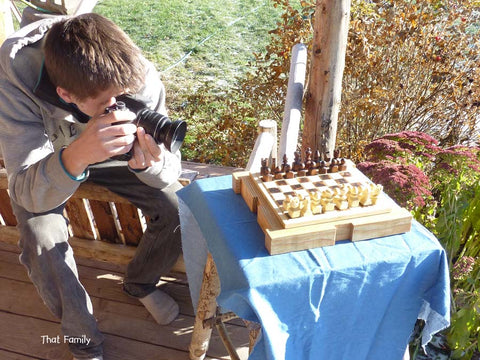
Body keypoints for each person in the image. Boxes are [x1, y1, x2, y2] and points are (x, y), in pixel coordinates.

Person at [0, 13, 183, 360]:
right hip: (47, 162)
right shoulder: (13, 78)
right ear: (65, 94)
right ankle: (84, 342)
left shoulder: (137, 72)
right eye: (107, 105)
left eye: (125, 99)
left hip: (114, 156)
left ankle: (139, 283)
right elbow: (24, 189)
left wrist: (154, 164)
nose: (120, 110)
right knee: (41, 239)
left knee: (176, 206)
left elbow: (171, 168)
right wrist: (78, 154)